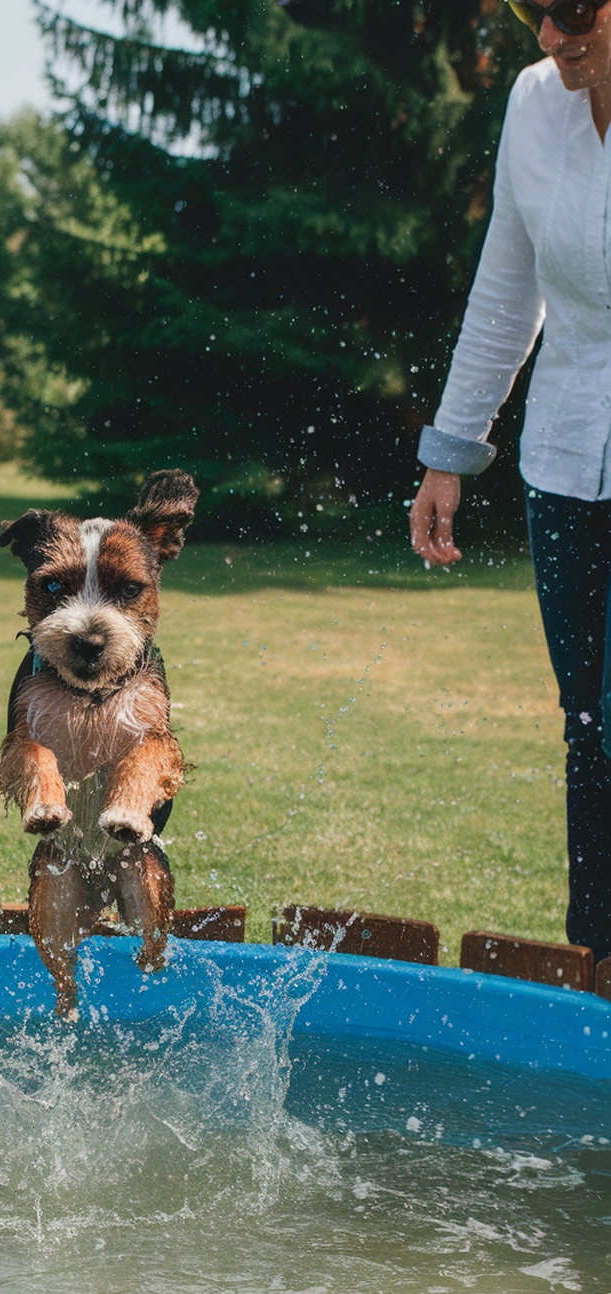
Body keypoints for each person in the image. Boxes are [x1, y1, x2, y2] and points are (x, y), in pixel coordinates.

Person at [411, 0, 611, 965]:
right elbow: (507, 285)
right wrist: (451, 449)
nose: (553, 36)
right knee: (589, 729)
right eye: (542, 12)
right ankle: (594, 971)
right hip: (566, 463)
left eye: (579, 12)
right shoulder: (536, 103)